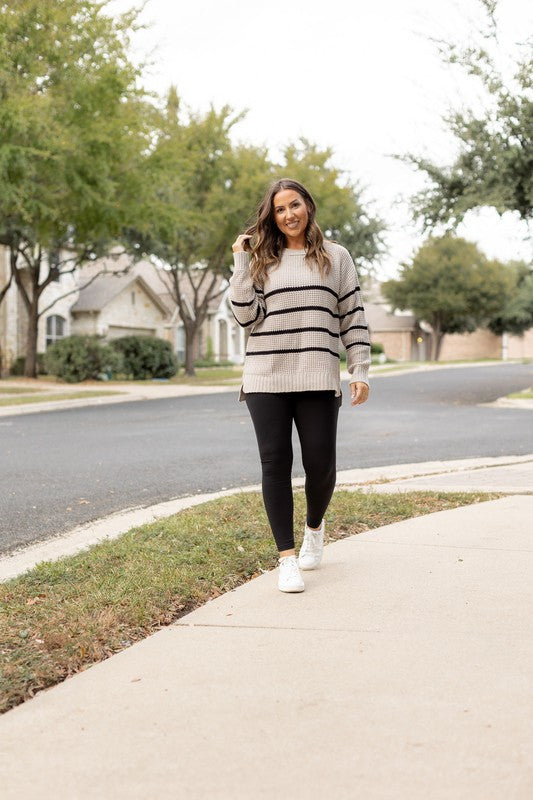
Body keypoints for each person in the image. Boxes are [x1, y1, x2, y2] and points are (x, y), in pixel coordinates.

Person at [229, 178, 370, 593]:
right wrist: (240, 261)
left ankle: (314, 529)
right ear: (271, 216)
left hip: (317, 372)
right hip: (265, 375)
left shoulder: (336, 257)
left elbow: (353, 316)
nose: (289, 214)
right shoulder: (260, 261)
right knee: (274, 463)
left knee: (321, 465)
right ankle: (286, 559)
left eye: (295, 204)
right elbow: (243, 317)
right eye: (279, 209)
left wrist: (359, 368)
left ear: (308, 205)